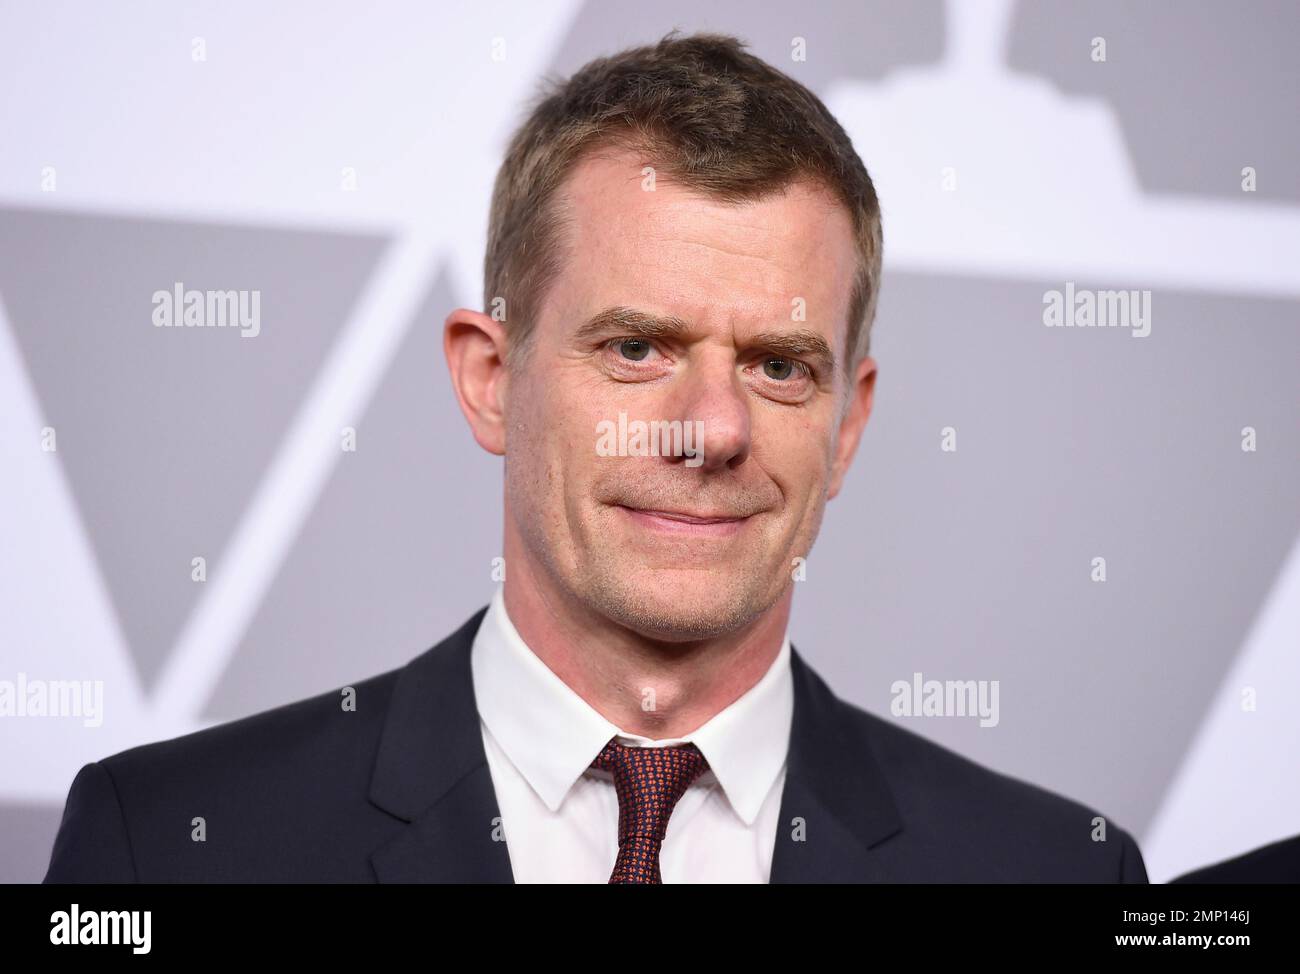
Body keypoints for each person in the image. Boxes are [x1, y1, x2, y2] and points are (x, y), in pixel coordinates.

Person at [44, 30, 1146, 884]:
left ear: (846, 424)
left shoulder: (1052, 870)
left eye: (777, 366)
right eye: (635, 346)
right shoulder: (174, 846)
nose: (710, 429)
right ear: (490, 376)